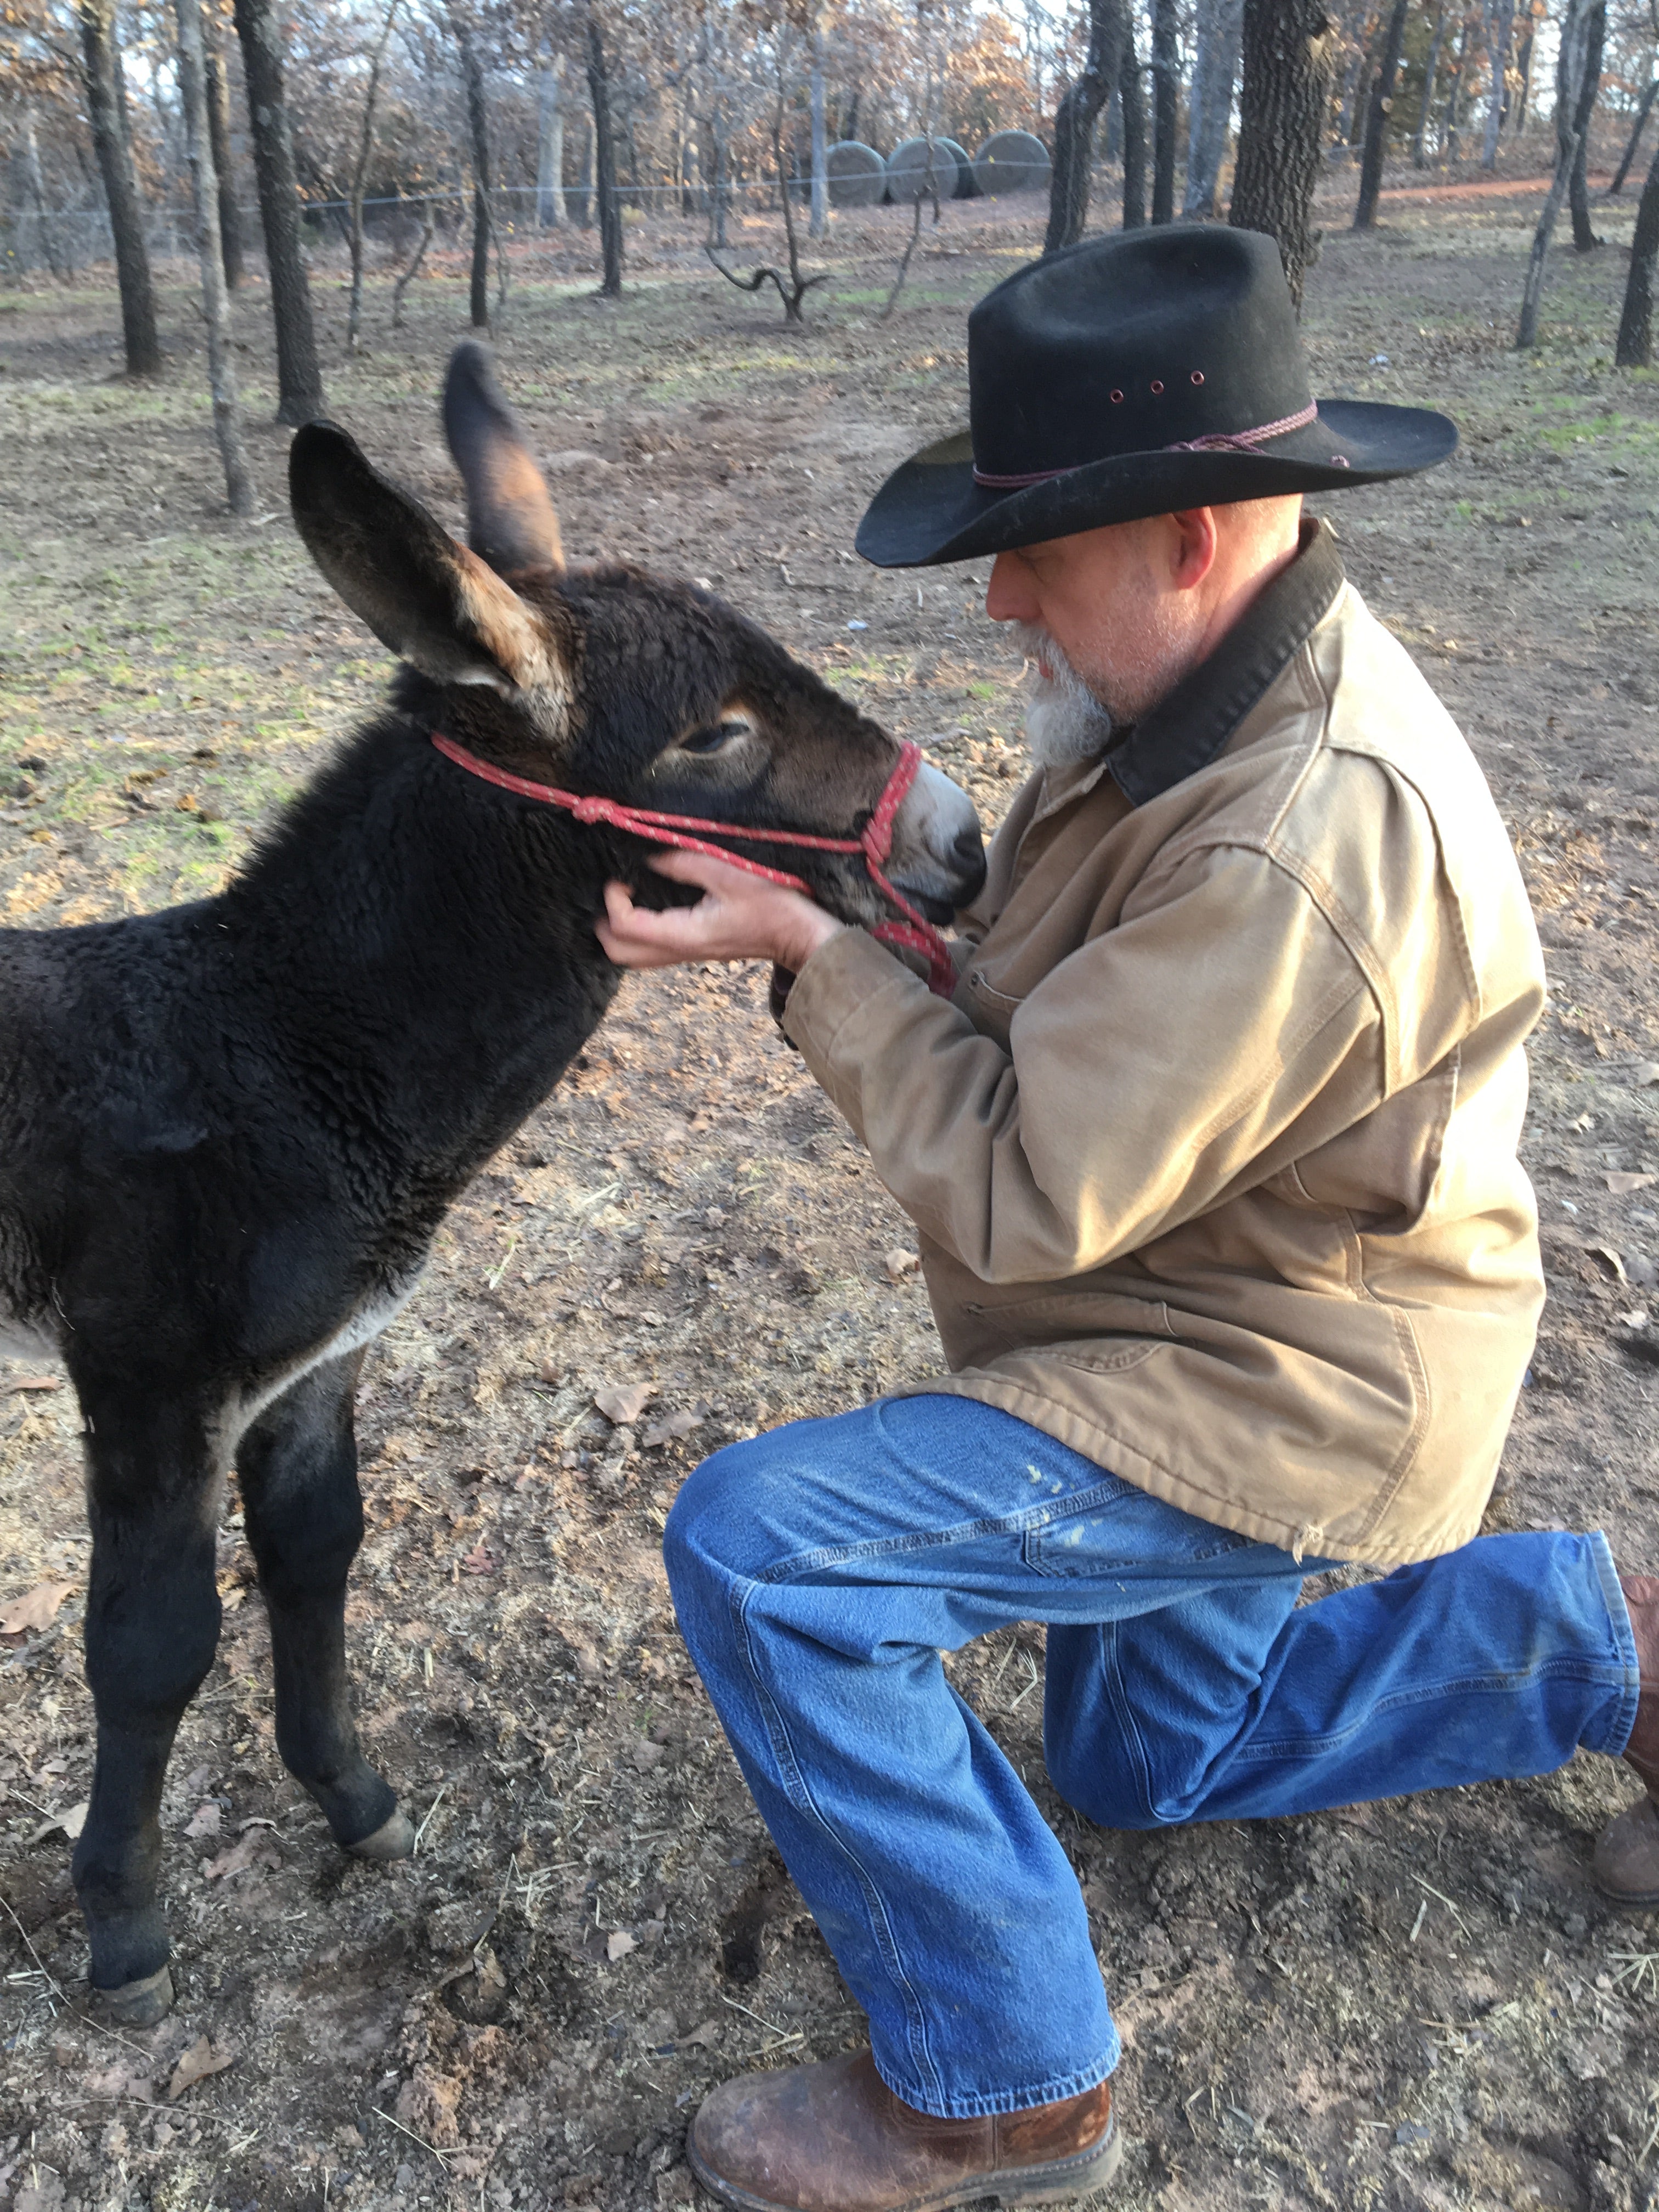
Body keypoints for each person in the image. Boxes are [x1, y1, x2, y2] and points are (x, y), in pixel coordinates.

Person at [596, 226, 1654, 2212]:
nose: (1001, 596)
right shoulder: (1200, 698)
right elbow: (1064, 990)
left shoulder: (1291, 826)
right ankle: (1633, 1659)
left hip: (1280, 1375)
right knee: (1153, 1763)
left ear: (1191, 535)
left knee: (771, 1560)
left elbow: (1027, 1192)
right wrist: (848, 914)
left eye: (1037, 546)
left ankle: (1002, 2088)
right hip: (1233, 1296)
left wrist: (812, 962)